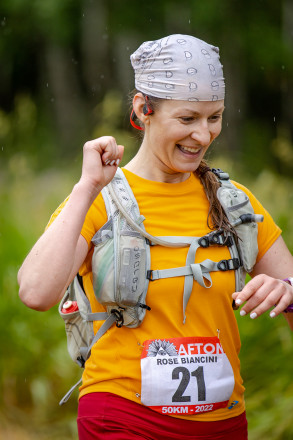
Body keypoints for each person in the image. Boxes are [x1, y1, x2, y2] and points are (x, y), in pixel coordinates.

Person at [18, 34, 293, 440]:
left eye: (214, 117)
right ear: (143, 109)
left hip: (223, 424)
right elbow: (36, 292)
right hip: (121, 419)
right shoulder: (101, 198)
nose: (203, 135)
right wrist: (86, 187)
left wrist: (286, 292)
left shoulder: (236, 203)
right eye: (187, 119)